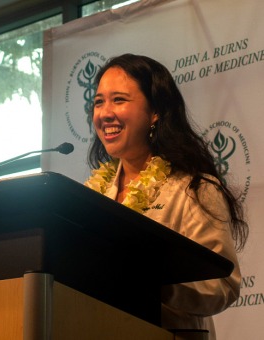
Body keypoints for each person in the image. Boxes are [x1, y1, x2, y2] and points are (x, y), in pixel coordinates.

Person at [84, 53, 248, 339]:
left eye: (119, 100)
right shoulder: (90, 196)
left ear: (155, 111)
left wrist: (151, 283)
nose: (105, 113)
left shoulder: (193, 189)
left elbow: (222, 286)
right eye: (99, 102)